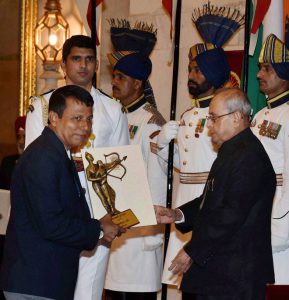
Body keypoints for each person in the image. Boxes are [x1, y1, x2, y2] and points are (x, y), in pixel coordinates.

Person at [25, 35, 129, 300]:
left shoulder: (113, 109)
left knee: (89, 291)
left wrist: (122, 216)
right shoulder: (42, 106)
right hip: (56, 210)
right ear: (64, 65)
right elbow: (34, 162)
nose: (83, 65)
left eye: (89, 59)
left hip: (97, 210)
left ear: (96, 65)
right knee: (53, 287)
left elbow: (123, 164)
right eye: (76, 59)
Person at [0, 85, 124, 300]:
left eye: (89, 119)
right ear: (53, 118)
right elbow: (51, 223)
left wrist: (102, 224)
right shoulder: (44, 157)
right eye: (76, 118)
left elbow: (66, 211)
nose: (85, 127)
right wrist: (98, 229)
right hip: (35, 282)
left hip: (44, 279)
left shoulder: (56, 152)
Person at [155, 88, 276, 300]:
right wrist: (177, 214)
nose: (209, 125)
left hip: (234, 275)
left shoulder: (248, 156)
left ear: (237, 117)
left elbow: (230, 214)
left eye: (213, 118)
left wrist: (192, 250)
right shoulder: (234, 149)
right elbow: (211, 200)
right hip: (222, 272)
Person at [156, 3, 243, 291]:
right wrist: (163, 145)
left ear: (214, 73)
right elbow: (183, 165)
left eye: (197, 70)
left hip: (209, 199)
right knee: (182, 282)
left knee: (205, 277)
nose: (191, 76)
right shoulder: (185, 116)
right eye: (190, 69)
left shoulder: (227, 117)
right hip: (186, 198)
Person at [104, 52, 167, 300]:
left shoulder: (152, 122)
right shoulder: (116, 115)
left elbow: (157, 178)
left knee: (134, 292)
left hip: (139, 230)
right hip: (114, 222)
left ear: (138, 83)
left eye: (121, 77)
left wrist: (152, 230)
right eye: (114, 76)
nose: (114, 81)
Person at [251, 33, 289, 284]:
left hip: (278, 228)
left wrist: (278, 232)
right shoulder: (260, 115)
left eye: (267, 68)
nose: (258, 74)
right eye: (259, 68)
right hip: (256, 219)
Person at [0, 116, 26, 190]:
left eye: (25, 136)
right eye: (18, 137)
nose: (20, 141)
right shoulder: (7, 163)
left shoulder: (39, 165)